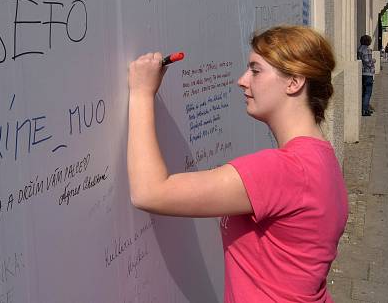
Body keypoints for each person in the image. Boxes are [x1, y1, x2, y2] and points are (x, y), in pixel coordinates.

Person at [127, 25, 348, 302]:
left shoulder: (283, 169)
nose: (242, 80)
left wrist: (140, 94)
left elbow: (149, 192)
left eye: (255, 70)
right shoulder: (321, 155)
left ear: (294, 82)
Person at [358, 34, 376, 116]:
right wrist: (373, 60)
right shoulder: (367, 49)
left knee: (363, 91)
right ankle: (365, 110)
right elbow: (367, 62)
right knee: (368, 92)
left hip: (361, 72)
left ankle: (363, 108)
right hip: (367, 72)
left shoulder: (359, 49)